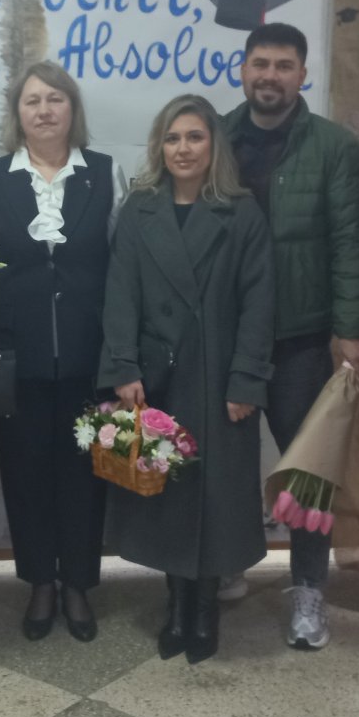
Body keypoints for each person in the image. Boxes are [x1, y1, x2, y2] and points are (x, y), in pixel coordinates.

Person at [99, 95, 275, 664]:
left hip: (218, 375)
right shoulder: (140, 209)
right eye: (173, 138)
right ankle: (176, 606)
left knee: (214, 496)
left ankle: (205, 610)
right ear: (160, 146)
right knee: (166, 495)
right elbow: (120, 293)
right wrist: (123, 367)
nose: (183, 149)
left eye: (195, 137)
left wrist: (246, 379)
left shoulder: (241, 212)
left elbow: (258, 304)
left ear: (213, 145)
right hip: (158, 377)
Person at [221, 22, 359, 649]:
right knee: (226, 466)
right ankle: (226, 564)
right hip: (228, 338)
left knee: (307, 471)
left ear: (302, 75)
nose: (270, 76)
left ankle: (309, 589)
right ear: (242, 69)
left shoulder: (333, 146)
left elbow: (352, 241)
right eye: (260, 63)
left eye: (284, 66)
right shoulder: (216, 138)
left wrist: (350, 329)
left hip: (301, 338)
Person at [0, 62, 127, 642]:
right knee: (25, 473)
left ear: (72, 109)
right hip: (18, 357)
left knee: (86, 474)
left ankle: (78, 584)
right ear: (17, 114)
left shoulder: (106, 174)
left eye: (55, 99)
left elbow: (122, 264)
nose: (44, 110)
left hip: (90, 356)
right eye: (32, 100)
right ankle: (39, 581)